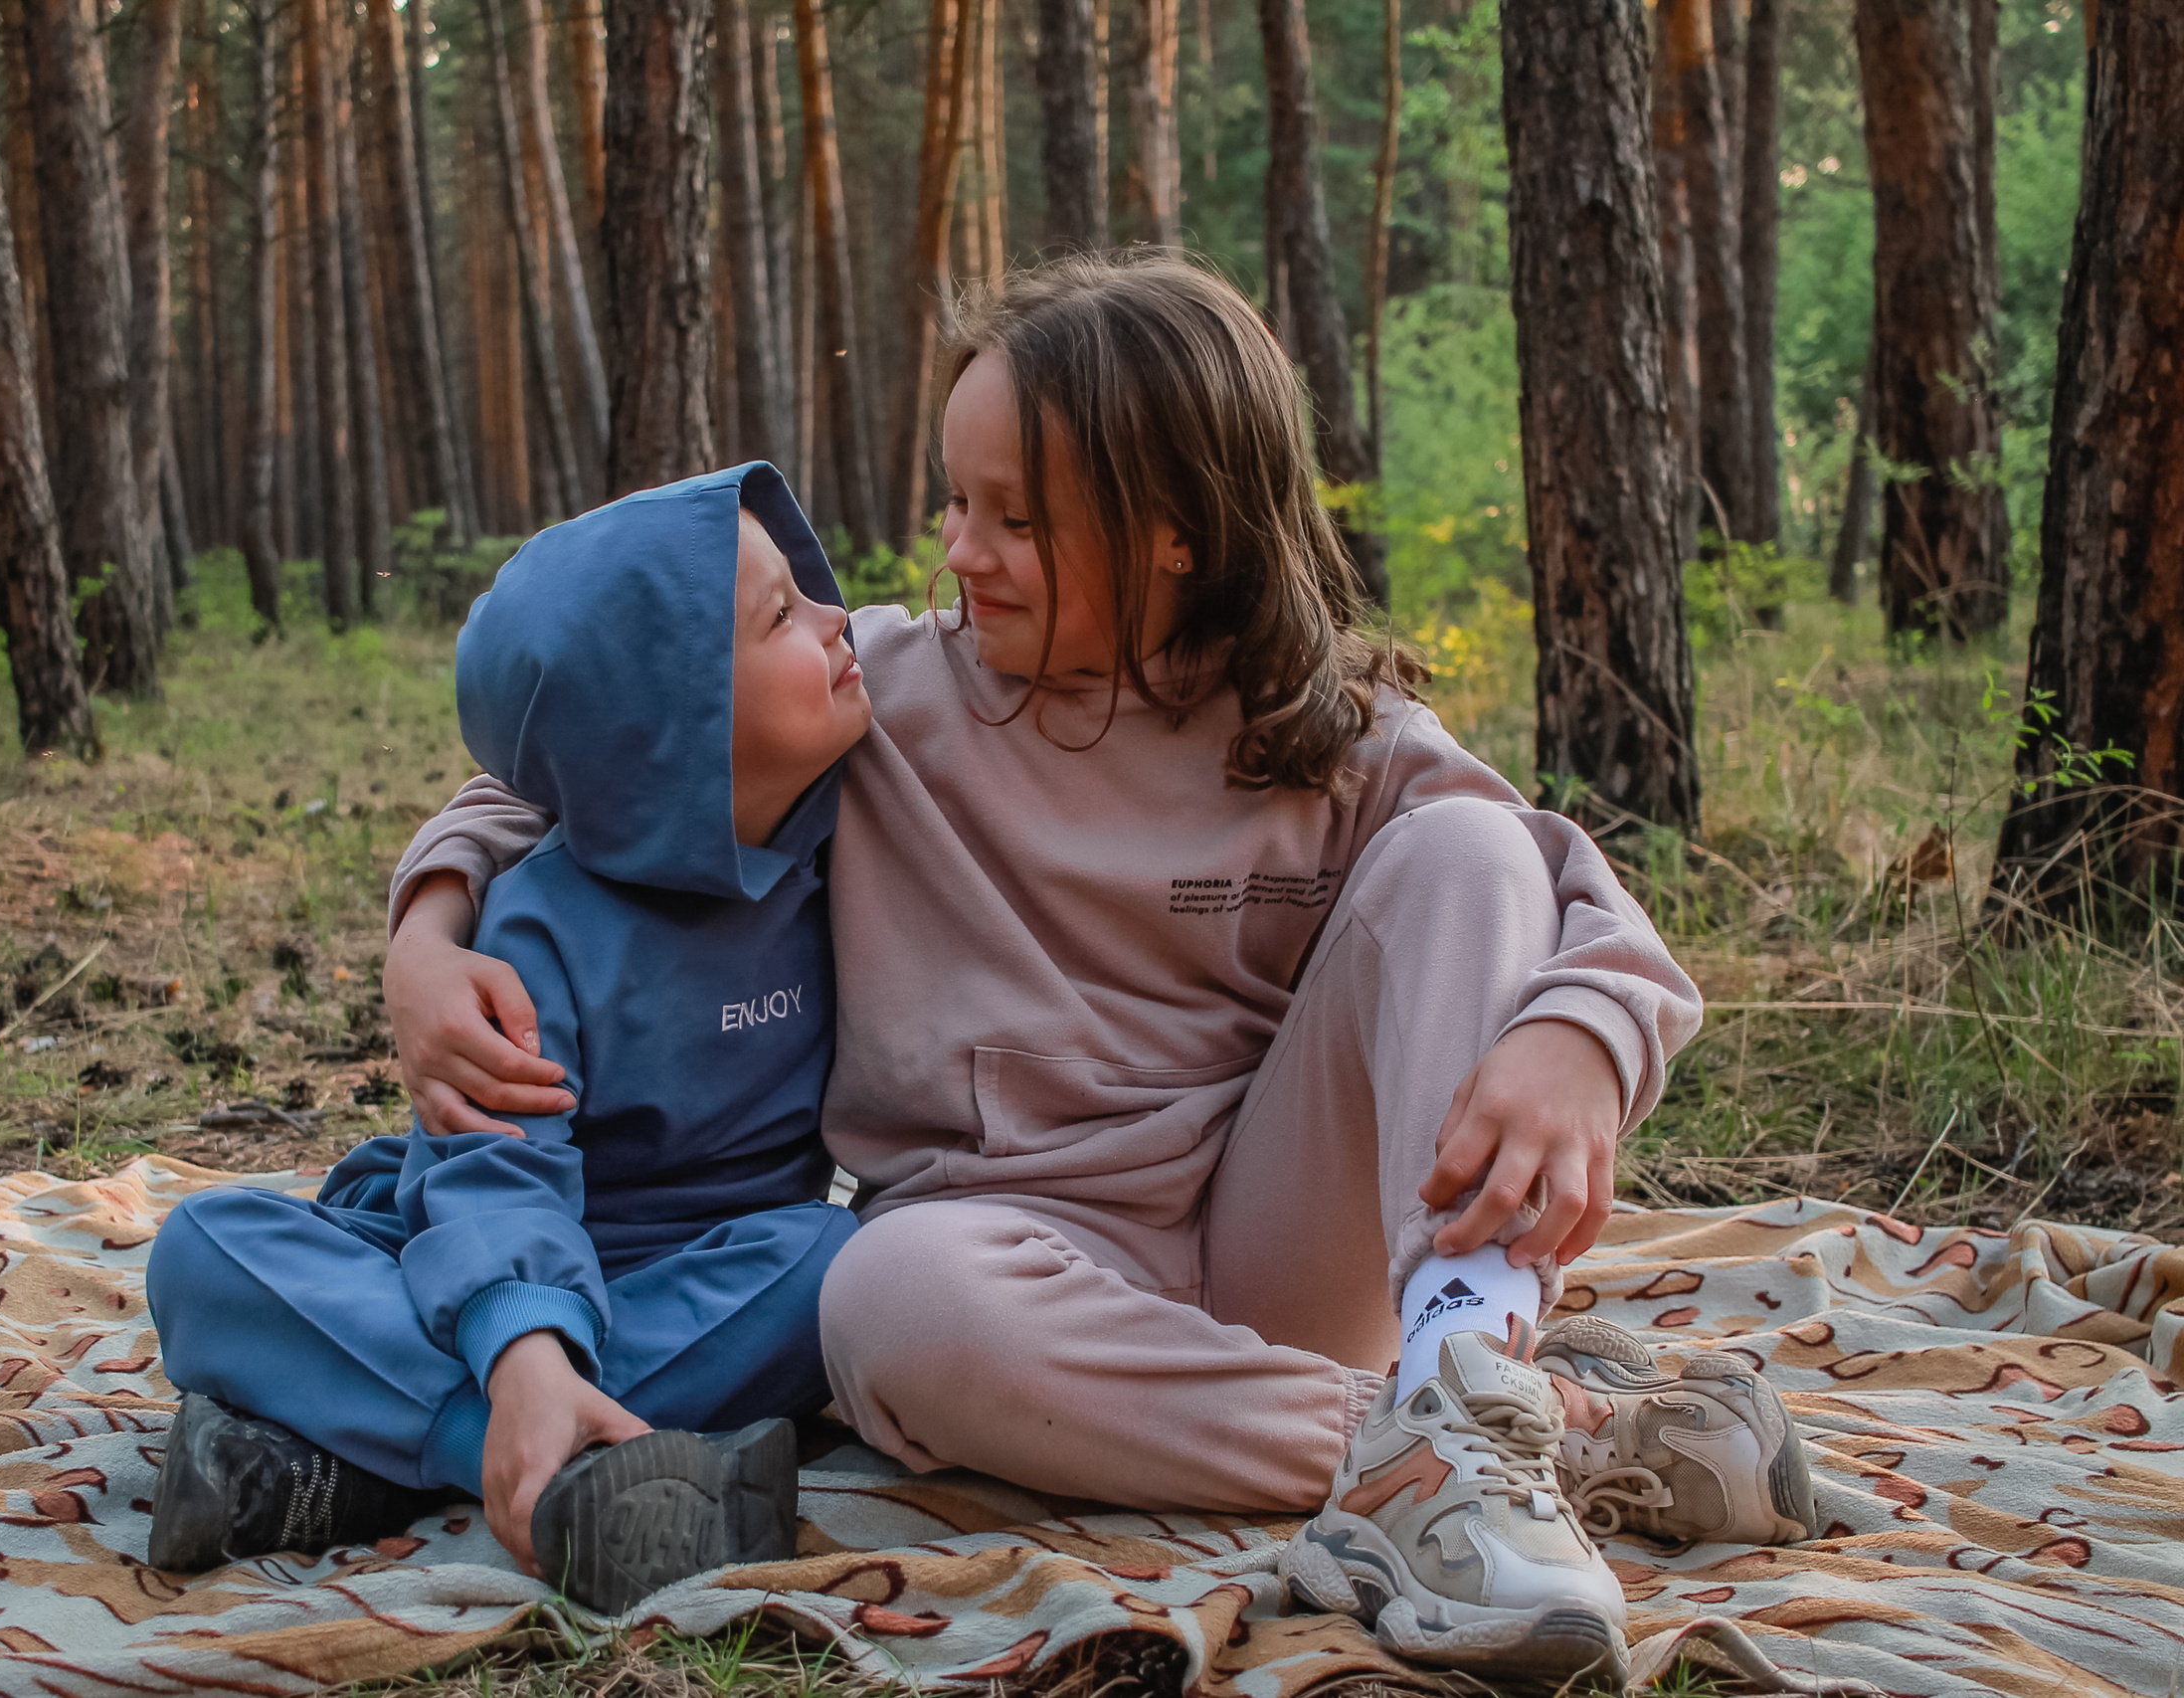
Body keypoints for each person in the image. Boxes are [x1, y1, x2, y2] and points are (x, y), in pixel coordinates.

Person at [381, 257, 1814, 1683]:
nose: (958, 549)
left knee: (1468, 854)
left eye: (1015, 517)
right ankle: (1488, 1435)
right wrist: (429, 934)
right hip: (1014, 1267)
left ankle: (1463, 1365)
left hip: (1281, 1246)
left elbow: (1555, 880)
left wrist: (1582, 1034)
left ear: (1174, 535)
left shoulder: (1319, 731)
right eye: (954, 501)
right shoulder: (882, 696)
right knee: (880, 1296)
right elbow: (571, 773)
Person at [144, 464, 871, 1616]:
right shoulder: (540, 922)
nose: (842, 620)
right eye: (784, 614)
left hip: (706, 1276)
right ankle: (540, 1453)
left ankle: (328, 1468)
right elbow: (495, 1168)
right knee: (200, 1250)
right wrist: (523, 1343)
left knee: (838, 1270)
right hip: (486, 1247)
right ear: (670, 731)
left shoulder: (856, 839)